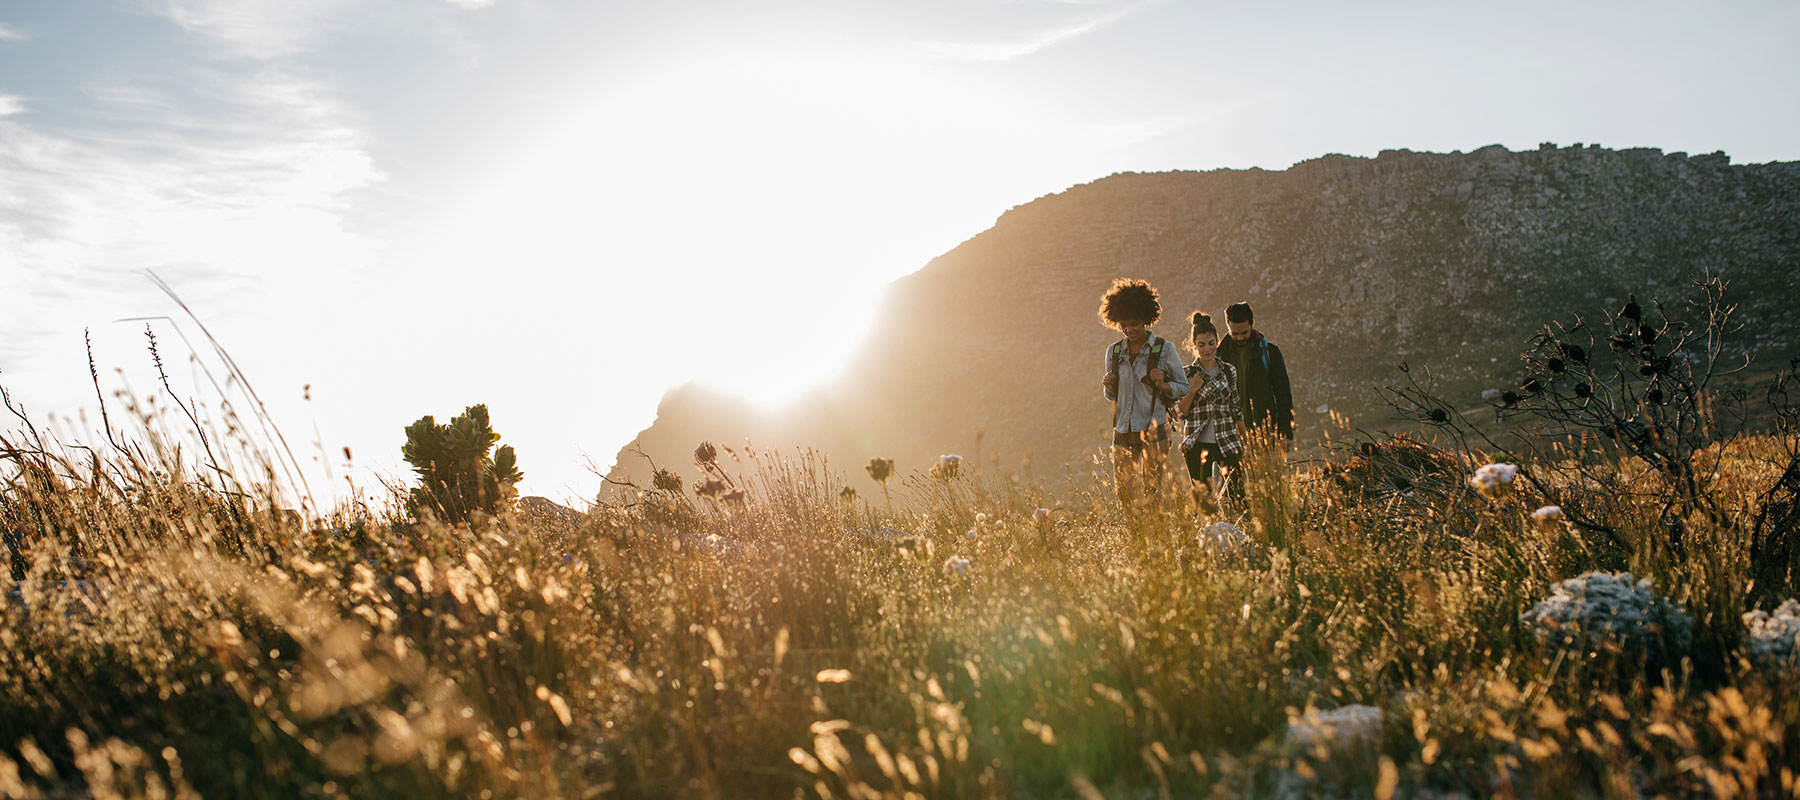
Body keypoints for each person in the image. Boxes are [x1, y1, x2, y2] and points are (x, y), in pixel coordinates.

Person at [1098, 278, 1188, 510]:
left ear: (1146, 319)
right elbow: (1112, 396)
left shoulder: (1164, 349)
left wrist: (1165, 385)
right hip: (1124, 430)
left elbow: (1183, 386)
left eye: (1134, 323)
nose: (1129, 329)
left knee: (1152, 492)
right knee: (1125, 493)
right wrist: (1108, 386)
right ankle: (1134, 536)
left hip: (1153, 431)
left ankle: (1152, 535)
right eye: (1124, 324)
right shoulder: (1114, 352)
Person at [1175, 312, 1244, 509]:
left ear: (1217, 342)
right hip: (1197, 444)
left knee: (1240, 498)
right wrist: (1192, 390)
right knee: (1205, 505)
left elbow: (1236, 407)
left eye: (1211, 343)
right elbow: (1179, 414)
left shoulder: (1229, 371)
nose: (1207, 349)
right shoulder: (1187, 373)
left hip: (1228, 441)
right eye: (1202, 345)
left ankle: (1242, 537)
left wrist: (1245, 441)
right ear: (1194, 345)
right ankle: (1209, 538)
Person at [1216, 301, 1294, 451]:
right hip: (1229, 434)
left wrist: (1285, 433)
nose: (1239, 337)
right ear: (1228, 326)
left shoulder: (1270, 353)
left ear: (1252, 324)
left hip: (1264, 433)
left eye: (1244, 332)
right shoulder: (1219, 356)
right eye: (1235, 334)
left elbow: (1283, 394)